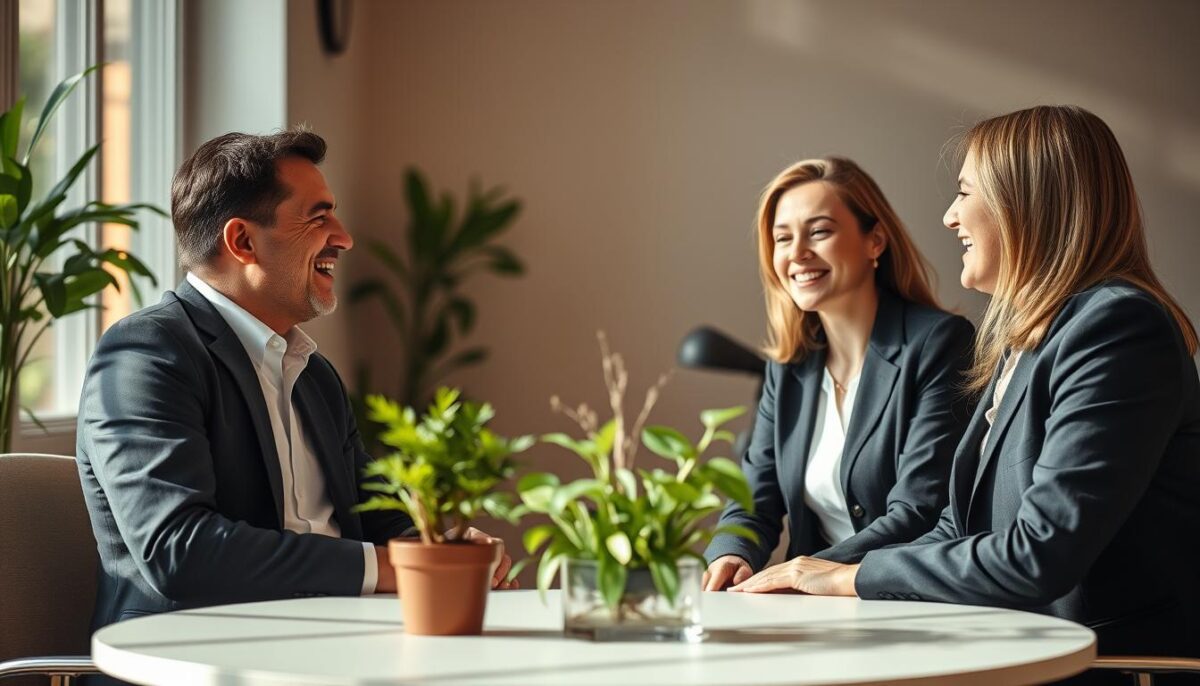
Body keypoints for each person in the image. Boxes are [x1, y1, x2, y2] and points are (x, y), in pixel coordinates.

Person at [729, 107, 1200, 661]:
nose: (950, 217)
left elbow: (1037, 554)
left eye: (965, 193)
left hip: (1113, 663)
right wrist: (828, 574)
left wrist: (845, 578)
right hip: (1014, 647)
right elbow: (956, 521)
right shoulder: (1025, 336)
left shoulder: (1116, 326)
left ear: (1027, 202)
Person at [76, 130, 514, 634]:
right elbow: (179, 550)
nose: (345, 237)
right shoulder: (146, 355)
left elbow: (374, 512)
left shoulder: (314, 374)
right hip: (197, 657)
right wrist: (394, 568)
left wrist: (446, 548)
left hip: (336, 639)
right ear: (242, 241)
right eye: (319, 216)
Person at [703, 157, 975, 591]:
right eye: (782, 238)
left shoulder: (939, 343)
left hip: (903, 601)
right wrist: (732, 551)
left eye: (819, 232)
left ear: (875, 241)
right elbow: (754, 495)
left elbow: (919, 511)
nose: (796, 254)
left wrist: (803, 574)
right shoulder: (790, 365)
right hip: (810, 610)